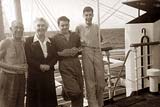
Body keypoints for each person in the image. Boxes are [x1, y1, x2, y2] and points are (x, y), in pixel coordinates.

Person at [75, 6, 105, 107]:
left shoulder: (96, 26)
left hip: (97, 52)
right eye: (86, 15)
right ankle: (93, 105)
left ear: (93, 15)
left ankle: (100, 104)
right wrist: (80, 42)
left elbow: (100, 39)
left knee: (101, 81)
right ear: (83, 15)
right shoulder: (79, 27)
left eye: (90, 15)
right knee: (90, 81)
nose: (88, 17)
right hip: (86, 52)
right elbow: (74, 42)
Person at [25, 17, 58, 107]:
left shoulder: (52, 41)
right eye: (38, 25)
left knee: (49, 101)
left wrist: (49, 65)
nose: (40, 27)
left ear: (46, 28)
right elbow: (28, 58)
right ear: (34, 27)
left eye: (43, 25)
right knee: (35, 102)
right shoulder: (28, 41)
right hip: (35, 77)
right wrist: (39, 66)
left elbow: (55, 56)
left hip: (48, 76)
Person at [53, 16, 83, 107]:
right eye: (62, 25)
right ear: (58, 26)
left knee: (80, 91)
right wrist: (62, 53)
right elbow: (53, 53)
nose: (65, 27)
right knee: (75, 91)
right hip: (64, 65)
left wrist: (77, 50)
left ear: (69, 25)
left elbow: (81, 47)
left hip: (76, 63)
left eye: (66, 25)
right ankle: (66, 90)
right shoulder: (55, 38)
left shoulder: (75, 35)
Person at [0, 20, 28, 107]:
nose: (19, 30)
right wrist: (14, 68)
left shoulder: (24, 43)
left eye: (21, 28)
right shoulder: (6, 42)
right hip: (8, 77)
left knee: (19, 103)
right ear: (11, 29)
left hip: (21, 78)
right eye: (16, 27)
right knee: (8, 104)